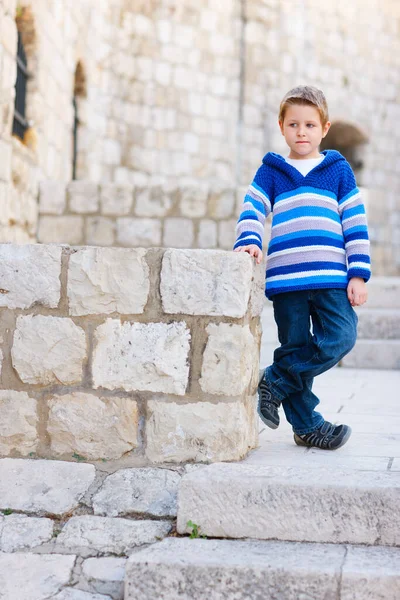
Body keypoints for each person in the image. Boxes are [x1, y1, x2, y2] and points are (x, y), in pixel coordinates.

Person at [234, 85, 370, 450]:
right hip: (288, 281)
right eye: (293, 124)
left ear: (324, 128)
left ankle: (275, 380)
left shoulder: (336, 171)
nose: (301, 132)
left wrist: (358, 273)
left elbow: (355, 224)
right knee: (294, 346)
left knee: (341, 336)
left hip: (330, 278)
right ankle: (308, 426)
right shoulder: (273, 171)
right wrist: (249, 238)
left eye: (310, 125)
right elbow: (252, 207)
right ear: (281, 126)